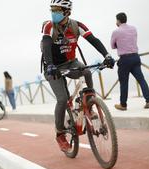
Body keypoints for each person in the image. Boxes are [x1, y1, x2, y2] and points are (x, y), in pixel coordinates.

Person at [41, 0, 115, 152]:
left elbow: (93, 40)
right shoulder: (49, 26)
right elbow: (46, 45)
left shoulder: (77, 26)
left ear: (67, 12)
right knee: (62, 99)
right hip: (53, 67)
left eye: (57, 9)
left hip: (71, 63)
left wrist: (106, 55)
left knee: (86, 71)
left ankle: (89, 102)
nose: (53, 12)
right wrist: (50, 65)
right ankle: (60, 134)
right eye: (52, 9)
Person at [111, 12, 149, 111]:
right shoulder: (133, 29)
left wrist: (119, 44)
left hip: (124, 59)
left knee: (124, 83)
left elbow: (112, 46)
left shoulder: (116, 32)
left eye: (116, 20)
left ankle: (123, 105)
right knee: (141, 80)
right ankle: (148, 101)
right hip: (135, 57)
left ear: (118, 20)